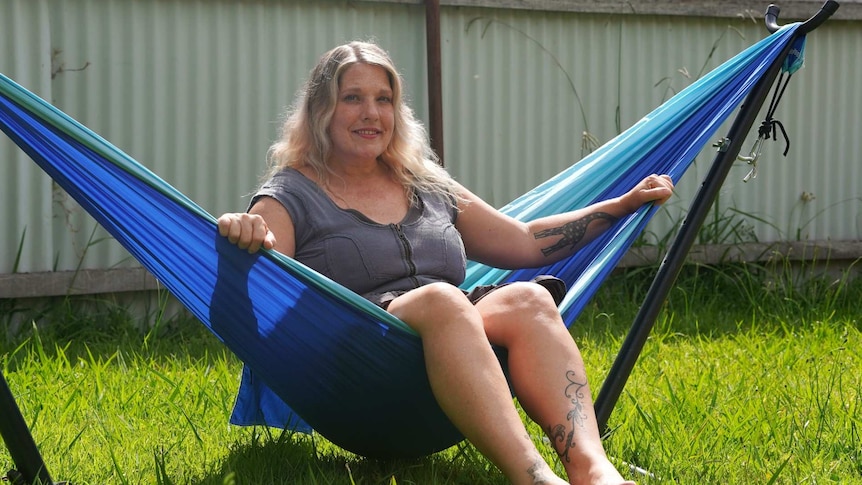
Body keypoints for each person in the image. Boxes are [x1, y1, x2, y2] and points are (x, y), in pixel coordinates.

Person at [217, 41, 673, 485]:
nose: (371, 113)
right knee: (442, 299)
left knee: (530, 298)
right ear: (321, 111)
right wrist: (245, 237)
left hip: (452, 338)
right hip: (362, 360)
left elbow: (525, 243)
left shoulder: (424, 184)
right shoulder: (292, 192)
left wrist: (621, 204)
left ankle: (592, 468)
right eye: (352, 98)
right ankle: (532, 477)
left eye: (384, 99)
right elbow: (259, 289)